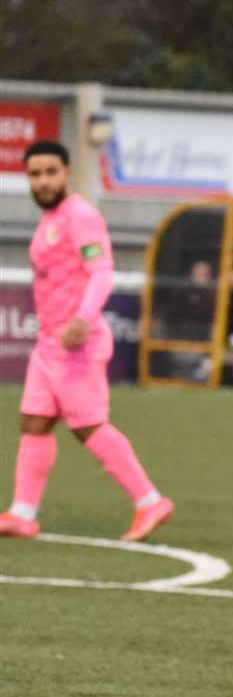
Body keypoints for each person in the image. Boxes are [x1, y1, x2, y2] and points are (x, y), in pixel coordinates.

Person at [0, 141, 174, 542]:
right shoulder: (50, 220)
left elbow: (102, 271)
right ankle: (23, 513)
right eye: (35, 174)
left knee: (88, 426)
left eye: (50, 172)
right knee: (34, 422)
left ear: (67, 173)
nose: (43, 181)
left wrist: (83, 319)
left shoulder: (79, 216)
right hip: (48, 345)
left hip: (76, 344)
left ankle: (149, 501)